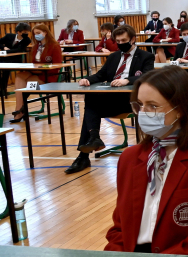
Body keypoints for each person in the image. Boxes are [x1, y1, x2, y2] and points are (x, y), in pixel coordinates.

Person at [104, 66, 188, 255]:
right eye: (139, 105)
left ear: (181, 110)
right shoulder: (129, 158)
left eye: (153, 106)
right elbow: (119, 227)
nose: (143, 113)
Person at [64, 25, 155, 174]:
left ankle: (84, 155)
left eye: (124, 40)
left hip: (131, 101)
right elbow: (100, 75)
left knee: (90, 109)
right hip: (112, 100)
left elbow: (147, 76)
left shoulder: (146, 56)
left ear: (133, 39)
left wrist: (128, 80)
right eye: (118, 41)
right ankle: (93, 138)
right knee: (91, 98)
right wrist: (87, 79)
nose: (120, 43)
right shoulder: (113, 57)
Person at [10, 24, 62, 124]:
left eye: (38, 33)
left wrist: (42, 68)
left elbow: (57, 65)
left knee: (25, 84)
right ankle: (19, 109)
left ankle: (20, 110)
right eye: (35, 34)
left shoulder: (54, 46)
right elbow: (35, 63)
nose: (37, 36)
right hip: (36, 73)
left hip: (48, 77)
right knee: (20, 76)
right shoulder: (35, 47)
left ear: (45, 32)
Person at [0, 22, 32, 97]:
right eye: (25, 32)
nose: (27, 34)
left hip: (16, 60)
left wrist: (2, 52)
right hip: (4, 59)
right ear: (19, 32)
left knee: (5, 69)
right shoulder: (9, 36)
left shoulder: (27, 40)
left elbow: (18, 50)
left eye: (27, 32)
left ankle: (3, 90)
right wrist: (3, 47)